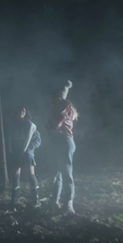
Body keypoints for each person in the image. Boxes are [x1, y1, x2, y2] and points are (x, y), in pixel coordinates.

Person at [47, 80, 78, 214]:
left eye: (53, 97)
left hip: (63, 141)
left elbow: (53, 125)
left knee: (65, 172)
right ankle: (55, 201)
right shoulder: (62, 107)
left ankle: (68, 204)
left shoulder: (62, 107)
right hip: (60, 140)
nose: (51, 100)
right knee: (57, 172)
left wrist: (48, 126)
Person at [8, 106, 42, 209]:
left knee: (31, 175)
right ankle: (15, 200)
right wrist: (11, 150)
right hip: (16, 154)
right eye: (19, 110)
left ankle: (36, 200)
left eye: (23, 110)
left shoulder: (30, 125)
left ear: (26, 112)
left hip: (27, 154)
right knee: (15, 175)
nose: (21, 112)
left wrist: (29, 149)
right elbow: (11, 139)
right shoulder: (13, 125)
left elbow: (37, 140)